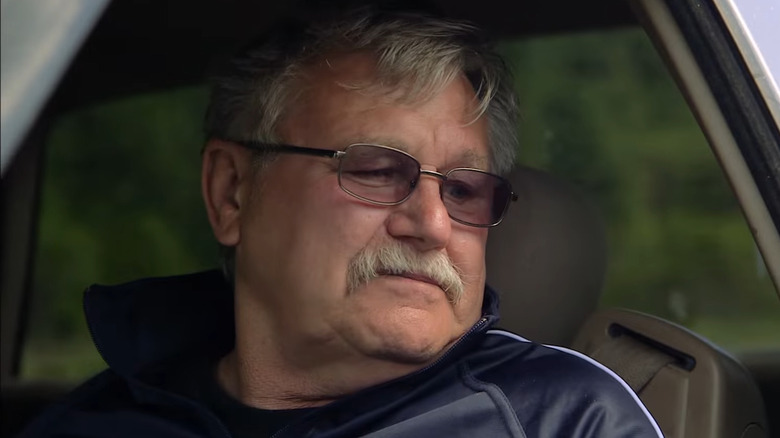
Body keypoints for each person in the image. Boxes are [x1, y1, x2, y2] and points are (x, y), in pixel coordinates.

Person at [21, 6, 663, 438]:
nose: (433, 225)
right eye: (379, 171)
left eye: (465, 189)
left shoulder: (563, 421)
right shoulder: (89, 421)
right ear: (232, 193)